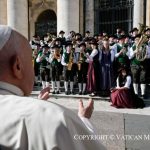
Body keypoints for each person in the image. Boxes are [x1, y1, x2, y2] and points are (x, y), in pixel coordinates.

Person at [0, 25, 105, 150]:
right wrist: (84, 119)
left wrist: (36, 104)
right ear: (17, 66)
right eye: (29, 60)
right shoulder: (57, 117)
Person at [129, 34, 150, 98]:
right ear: (134, 41)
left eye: (139, 39)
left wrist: (146, 56)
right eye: (136, 40)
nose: (138, 41)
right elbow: (129, 57)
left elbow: (149, 55)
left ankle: (143, 94)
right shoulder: (132, 47)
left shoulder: (146, 47)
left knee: (143, 79)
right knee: (135, 78)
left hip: (143, 65)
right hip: (134, 65)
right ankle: (136, 93)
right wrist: (134, 52)